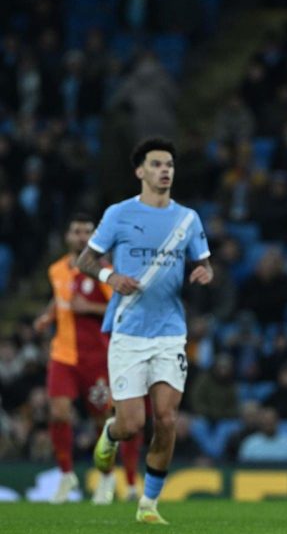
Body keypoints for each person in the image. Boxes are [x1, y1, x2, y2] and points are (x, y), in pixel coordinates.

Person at [78, 138, 213, 525]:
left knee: (167, 419)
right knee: (132, 424)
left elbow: (205, 263)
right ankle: (110, 433)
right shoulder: (119, 214)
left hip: (170, 332)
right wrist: (110, 275)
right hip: (129, 332)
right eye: (156, 164)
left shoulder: (188, 219)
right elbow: (85, 259)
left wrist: (205, 272)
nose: (164, 170)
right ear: (140, 171)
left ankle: (148, 506)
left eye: (169, 164)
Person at [34, 214, 141, 504]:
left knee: (101, 421)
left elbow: (120, 310)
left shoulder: (103, 272)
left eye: (86, 232)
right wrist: (48, 315)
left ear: (94, 237)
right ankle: (66, 476)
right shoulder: (56, 270)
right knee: (58, 412)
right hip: (63, 354)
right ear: (68, 236)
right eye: (76, 231)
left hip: (96, 358)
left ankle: (106, 477)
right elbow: (61, 298)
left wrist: (90, 307)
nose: (81, 237)